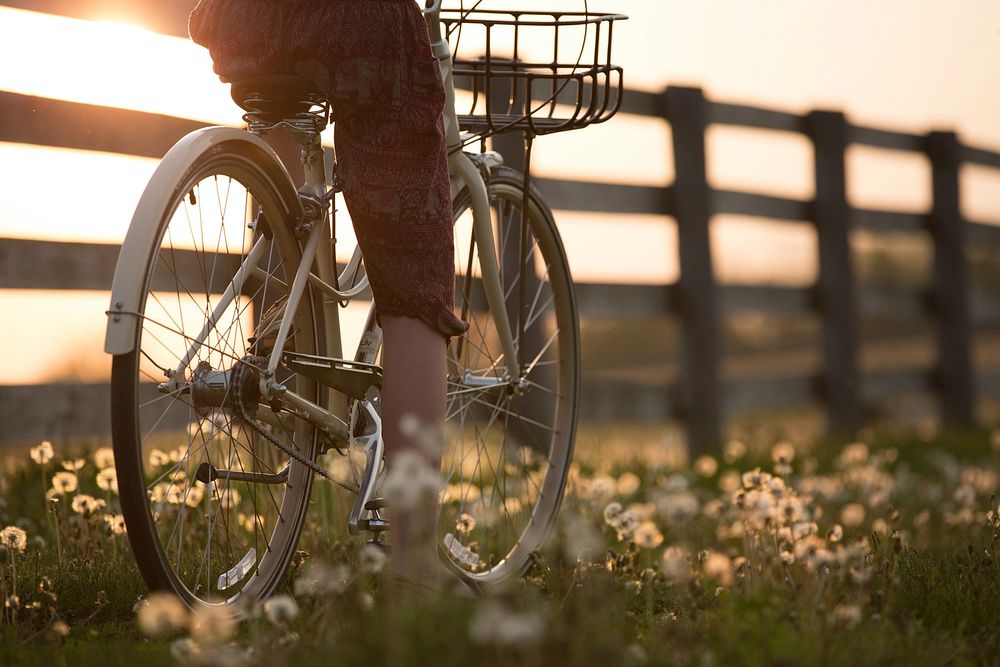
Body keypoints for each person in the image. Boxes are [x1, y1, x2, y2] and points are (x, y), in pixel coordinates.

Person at [187, 0, 468, 590]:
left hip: (243, 18)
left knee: (283, 199)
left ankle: (282, 374)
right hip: (355, 21)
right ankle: (414, 564)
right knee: (415, 278)